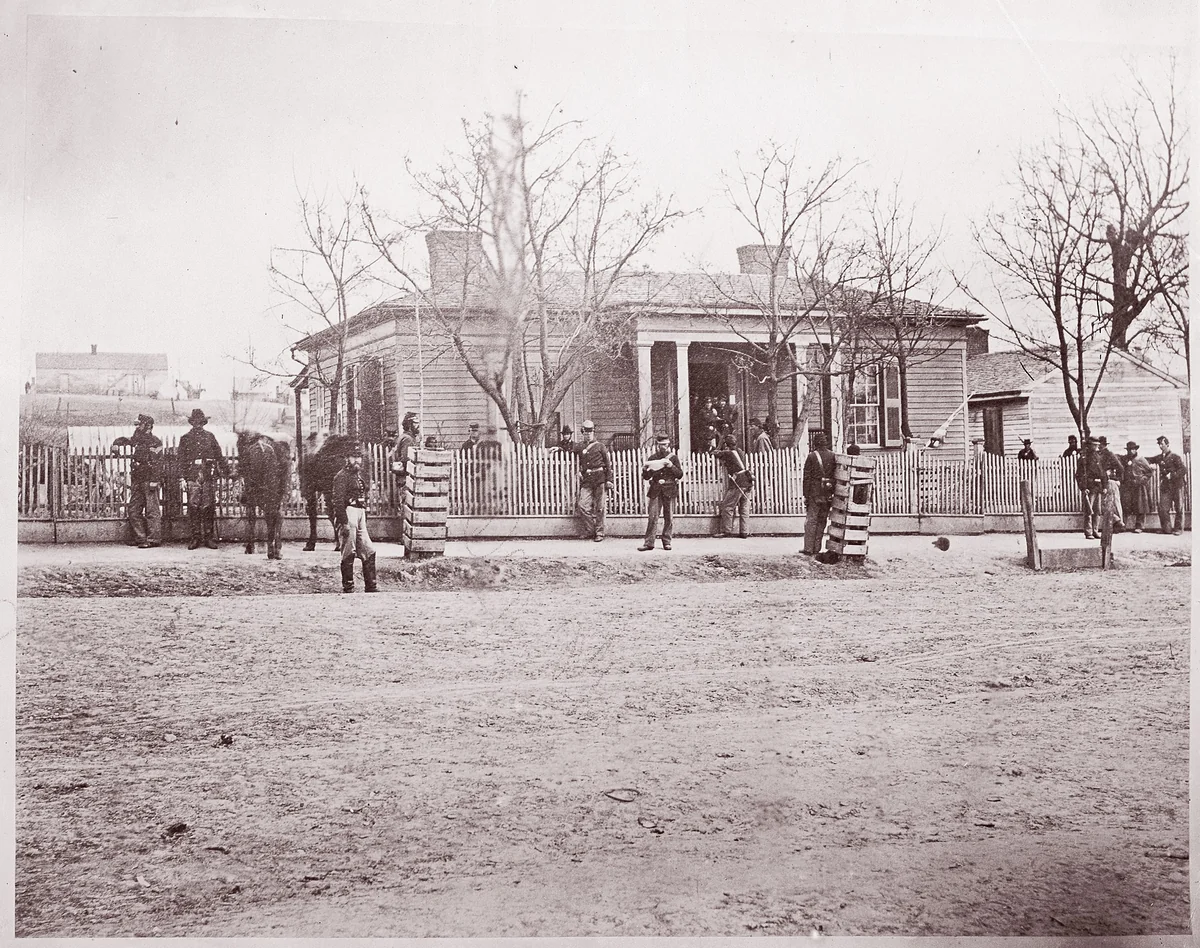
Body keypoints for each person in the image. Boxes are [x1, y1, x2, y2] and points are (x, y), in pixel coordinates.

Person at [177, 408, 228, 550]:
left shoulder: (210, 437)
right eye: (195, 422)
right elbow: (180, 459)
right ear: (192, 423)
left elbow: (219, 455)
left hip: (208, 474)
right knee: (193, 506)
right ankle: (195, 537)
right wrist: (182, 478)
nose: (198, 425)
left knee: (208, 505)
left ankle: (209, 537)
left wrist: (226, 471)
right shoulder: (185, 438)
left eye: (200, 422)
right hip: (192, 474)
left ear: (203, 423)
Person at [331, 442, 377, 593]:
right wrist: (343, 523)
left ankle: (371, 586)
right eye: (353, 457)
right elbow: (337, 501)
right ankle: (348, 586)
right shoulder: (341, 477)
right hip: (348, 513)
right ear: (347, 459)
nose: (357, 460)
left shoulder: (358, 476)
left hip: (360, 514)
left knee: (368, 550)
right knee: (348, 550)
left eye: (359, 457)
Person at [115, 413, 164, 548]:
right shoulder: (138, 439)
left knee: (152, 511)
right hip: (138, 480)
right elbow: (126, 440)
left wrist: (155, 480)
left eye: (139, 424)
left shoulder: (155, 441)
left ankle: (153, 539)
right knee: (134, 510)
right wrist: (115, 443)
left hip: (149, 480)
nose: (137, 427)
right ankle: (141, 538)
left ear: (147, 426)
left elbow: (158, 463)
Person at [638, 434, 683, 551]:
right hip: (656, 488)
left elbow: (680, 474)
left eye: (665, 444)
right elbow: (647, 477)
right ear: (657, 445)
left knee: (669, 517)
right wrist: (645, 470)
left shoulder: (673, 458)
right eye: (661, 445)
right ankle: (649, 543)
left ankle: (667, 541)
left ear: (668, 444)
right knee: (653, 516)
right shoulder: (652, 458)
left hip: (669, 488)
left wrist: (672, 466)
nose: (663, 447)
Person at [575, 420, 612, 541]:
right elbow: (569, 448)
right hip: (587, 479)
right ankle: (590, 530)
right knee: (582, 506)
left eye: (590, 432)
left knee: (600, 507)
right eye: (586, 432)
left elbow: (607, 464)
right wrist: (559, 448)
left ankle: (600, 533)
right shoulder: (580, 446)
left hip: (600, 478)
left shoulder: (600, 446)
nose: (588, 434)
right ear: (583, 433)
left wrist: (609, 479)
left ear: (593, 432)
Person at [802, 432, 837, 555]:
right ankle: (817, 548)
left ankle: (808, 548)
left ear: (815, 443)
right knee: (822, 520)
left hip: (815, 492)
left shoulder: (812, 456)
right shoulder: (833, 456)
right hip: (827, 492)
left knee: (811, 520)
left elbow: (807, 477)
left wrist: (806, 495)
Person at [1147, 435, 1187, 535]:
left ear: (1167, 444)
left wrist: (1172, 475)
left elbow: (1183, 470)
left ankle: (1178, 529)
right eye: (1159, 444)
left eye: (1162, 444)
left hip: (1177, 485)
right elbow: (1149, 459)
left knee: (1179, 508)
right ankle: (1167, 529)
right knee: (1163, 508)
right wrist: (1148, 465)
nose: (1160, 446)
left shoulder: (1175, 457)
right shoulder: (1160, 457)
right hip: (1166, 487)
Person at [714, 434, 752, 538]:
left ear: (726, 444)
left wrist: (720, 443)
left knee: (727, 506)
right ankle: (744, 532)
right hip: (748, 481)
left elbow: (714, 453)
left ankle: (727, 531)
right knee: (744, 507)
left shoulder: (728, 453)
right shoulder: (740, 451)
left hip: (738, 482)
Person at [1075, 436, 1105, 540]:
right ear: (1090, 445)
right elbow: (1079, 474)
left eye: (1097, 445)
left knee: (1097, 511)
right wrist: (1083, 487)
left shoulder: (1098, 456)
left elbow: (1102, 472)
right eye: (1094, 445)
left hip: (1098, 487)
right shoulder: (1084, 458)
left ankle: (1095, 530)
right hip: (1089, 487)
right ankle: (1088, 531)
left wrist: (1104, 486)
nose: (1097, 446)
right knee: (1089, 510)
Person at [1119, 441, 1152, 534]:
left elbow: (1149, 472)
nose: (1131, 451)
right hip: (1127, 486)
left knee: (1140, 506)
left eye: (1133, 449)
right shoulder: (1125, 460)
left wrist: (1142, 480)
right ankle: (1123, 525)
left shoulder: (1141, 459)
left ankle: (1139, 526)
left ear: (1136, 450)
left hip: (1138, 486)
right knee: (1125, 505)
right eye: (1129, 450)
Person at [1096, 436, 1125, 530]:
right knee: (1103, 504)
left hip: (1110, 481)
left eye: (1100, 444)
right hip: (1101, 482)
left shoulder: (1109, 454)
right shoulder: (1097, 454)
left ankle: (1120, 523)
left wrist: (1118, 479)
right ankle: (1116, 521)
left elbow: (1120, 468)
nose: (1099, 446)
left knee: (1114, 502)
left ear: (1103, 445)